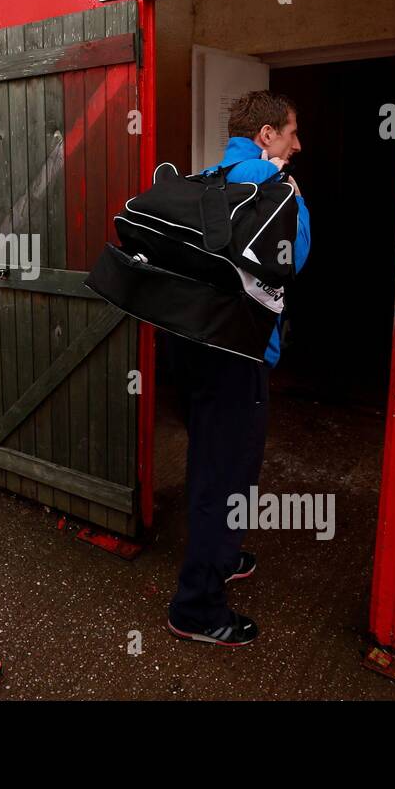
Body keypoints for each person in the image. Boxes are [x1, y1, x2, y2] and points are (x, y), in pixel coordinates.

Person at [167, 90, 310, 646]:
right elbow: (295, 262)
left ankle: (221, 557)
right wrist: (294, 199)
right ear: (266, 135)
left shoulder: (204, 178)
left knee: (208, 462)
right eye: (292, 131)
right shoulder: (275, 188)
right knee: (226, 480)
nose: (298, 144)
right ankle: (197, 609)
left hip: (191, 347)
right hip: (237, 356)